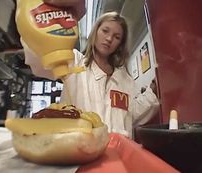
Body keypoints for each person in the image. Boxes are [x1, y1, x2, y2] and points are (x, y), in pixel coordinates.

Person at [23, 1, 159, 139]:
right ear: (95, 31)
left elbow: (132, 115)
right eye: (105, 31)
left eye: (117, 37)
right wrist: (42, 19)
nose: (109, 38)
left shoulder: (125, 79)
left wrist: (151, 94)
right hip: (78, 149)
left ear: (120, 45)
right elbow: (39, 61)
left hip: (118, 153)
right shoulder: (73, 61)